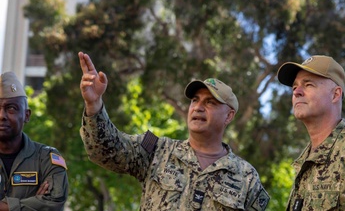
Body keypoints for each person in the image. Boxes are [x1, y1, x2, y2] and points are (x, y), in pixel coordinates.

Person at [78, 51, 270, 210]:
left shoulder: (246, 177)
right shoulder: (157, 151)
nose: (198, 107)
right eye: (195, 100)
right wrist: (94, 104)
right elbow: (105, 152)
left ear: (229, 116)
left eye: (210, 102)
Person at [277, 55, 345, 210]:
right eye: (294, 87)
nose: (297, 92)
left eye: (308, 85)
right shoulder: (303, 162)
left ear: (335, 94)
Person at [0, 72, 68, 211]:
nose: (2, 116)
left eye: (11, 108)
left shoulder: (47, 160)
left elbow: (54, 203)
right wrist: (34, 205)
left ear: (26, 115)